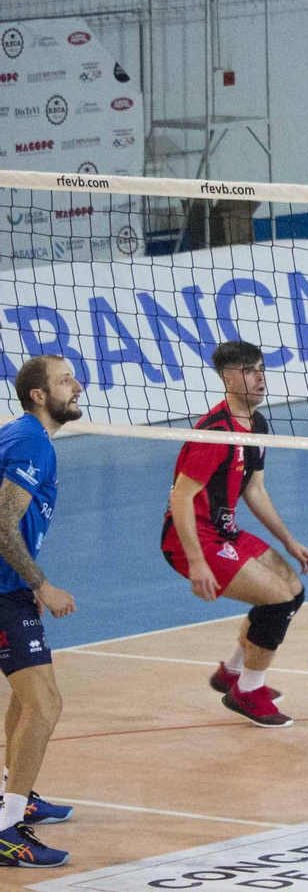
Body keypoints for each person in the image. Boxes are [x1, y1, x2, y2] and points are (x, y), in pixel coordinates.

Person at [161, 341, 308, 728]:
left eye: (261, 368)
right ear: (228, 378)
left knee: (292, 590)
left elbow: (254, 489)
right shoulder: (215, 432)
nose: (260, 378)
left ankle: (232, 672)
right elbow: (181, 498)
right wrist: (196, 561)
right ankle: (248, 690)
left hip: (224, 529)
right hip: (192, 538)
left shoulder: (256, 424)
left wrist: (288, 540)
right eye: (249, 371)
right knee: (277, 601)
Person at [0, 357, 83, 868]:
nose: (77, 386)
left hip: (9, 586)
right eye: (65, 381)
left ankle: (15, 796)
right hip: (3, 589)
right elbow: (2, 526)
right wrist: (41, 583)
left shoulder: (27, 437)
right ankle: (6, 828)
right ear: (38, 395)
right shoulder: (30, 442)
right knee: (46, 704)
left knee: (26, 700)